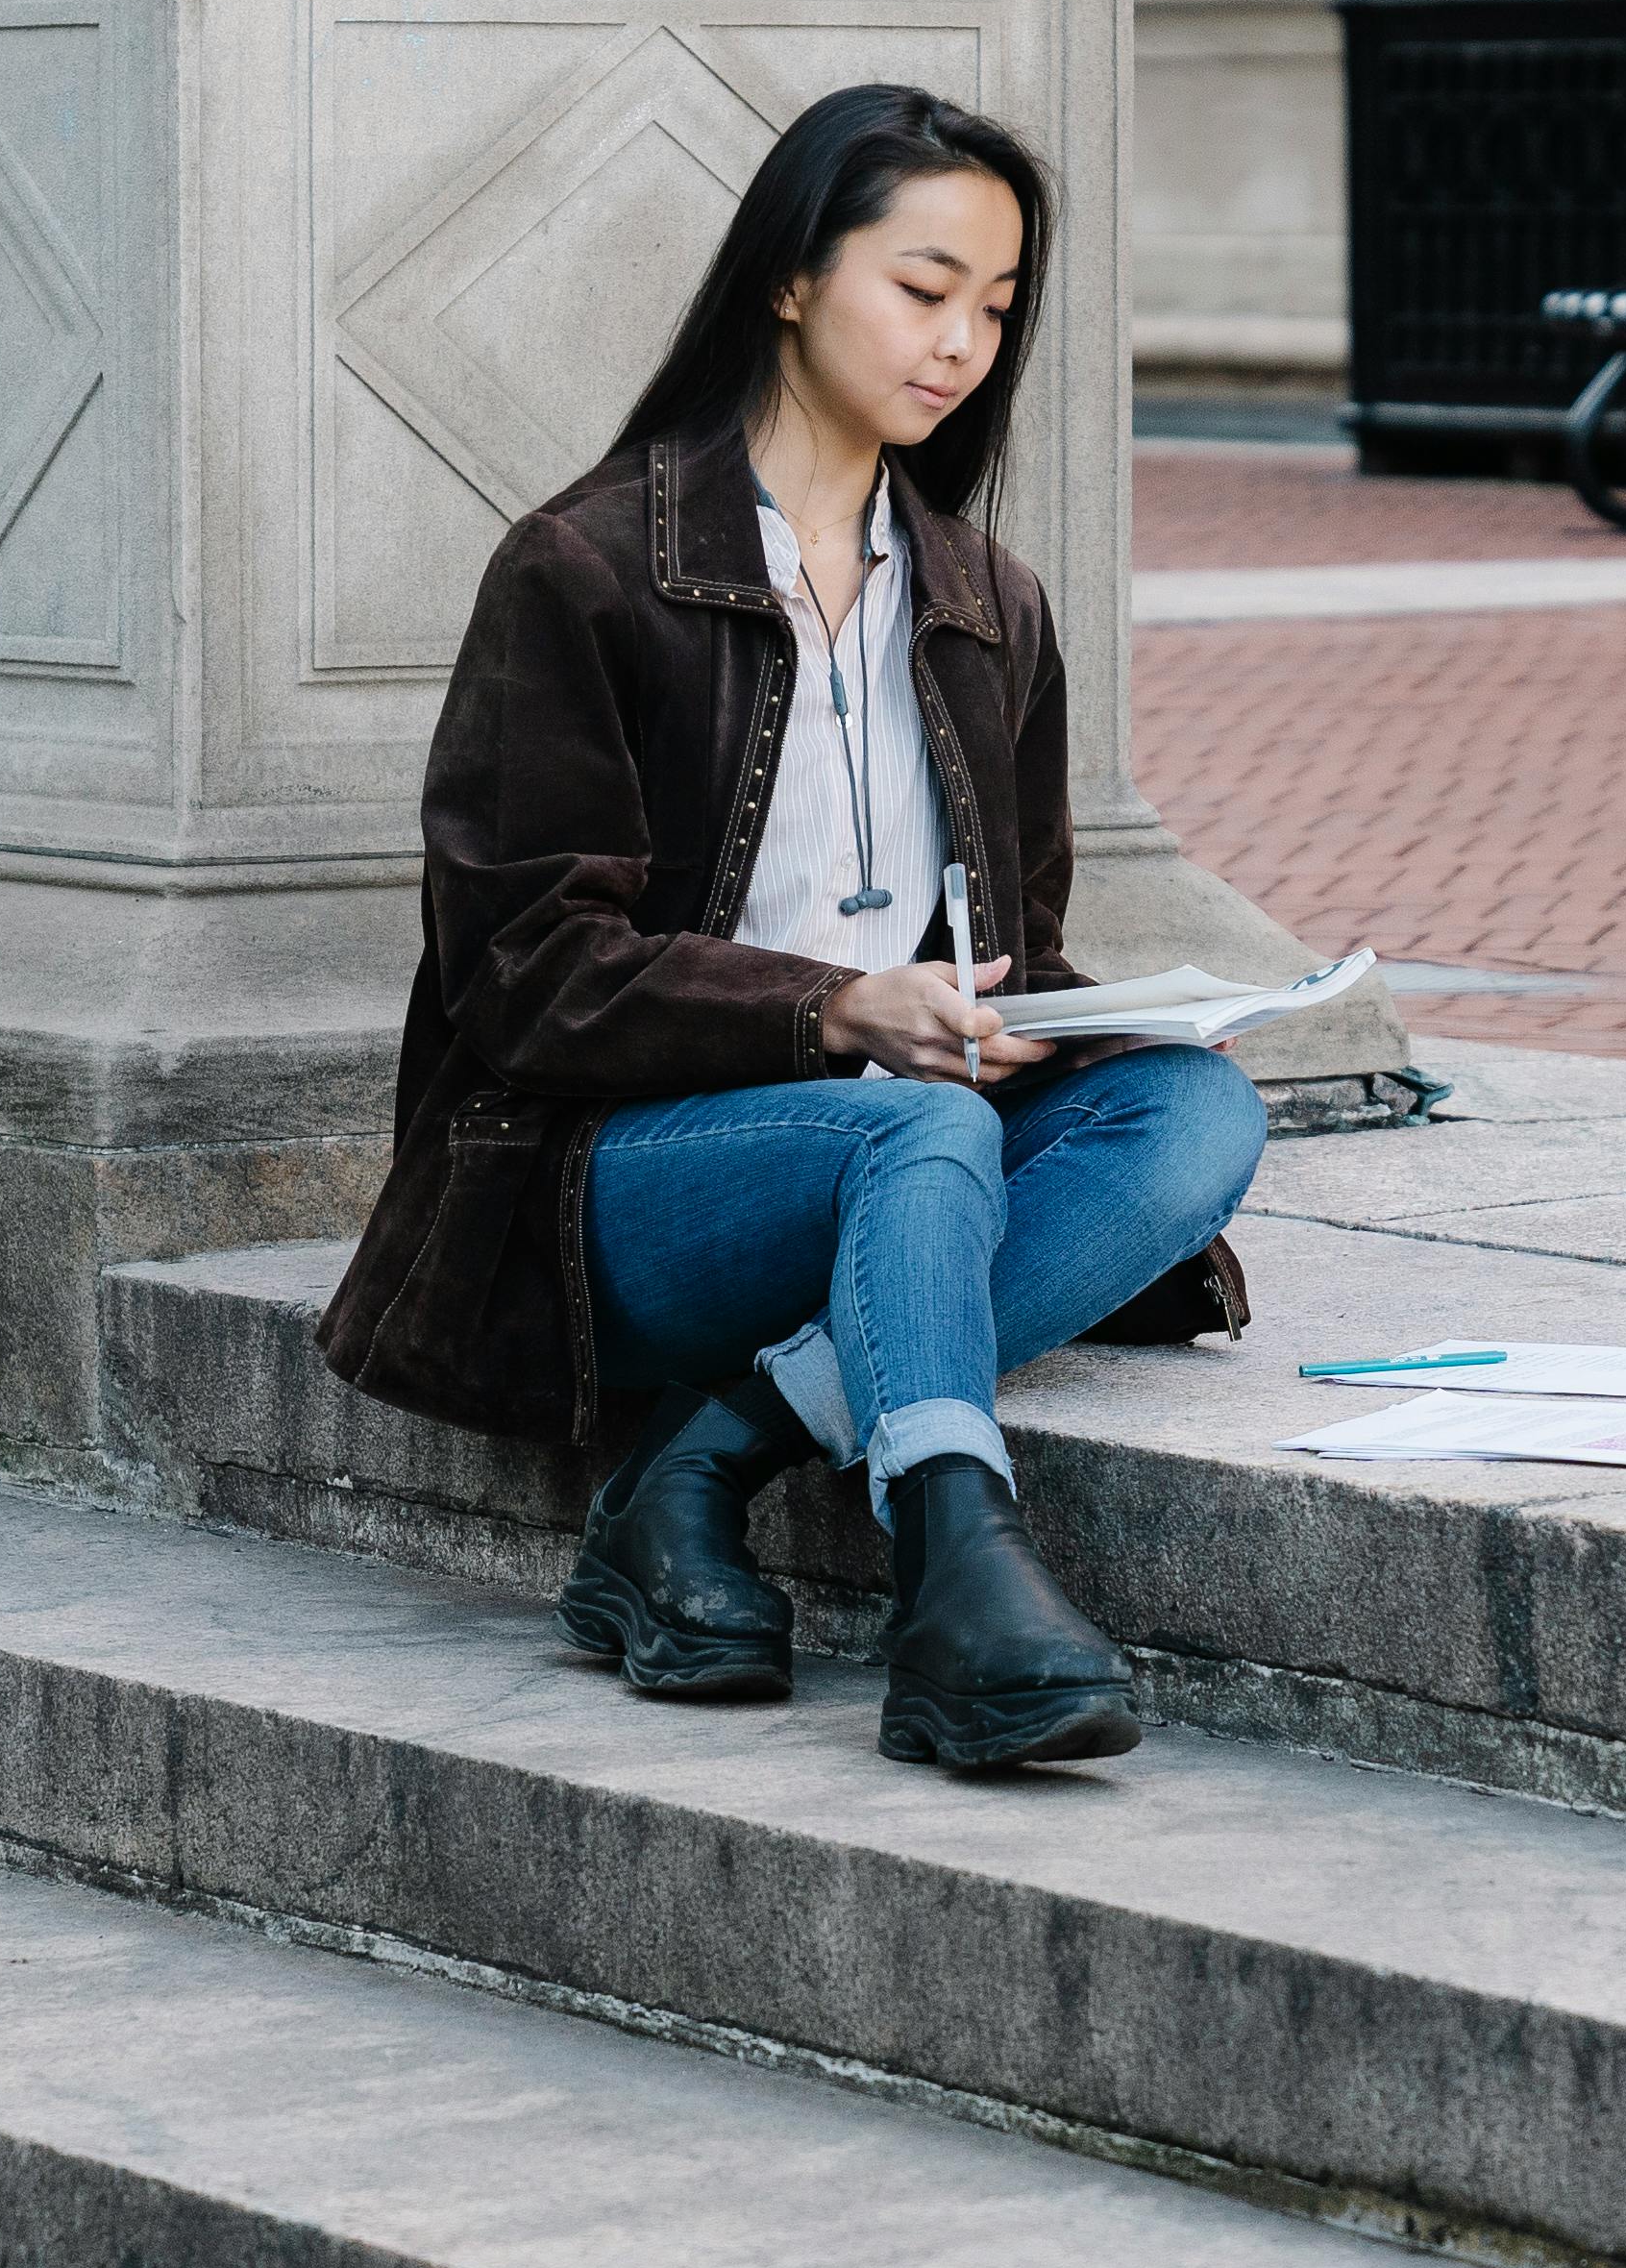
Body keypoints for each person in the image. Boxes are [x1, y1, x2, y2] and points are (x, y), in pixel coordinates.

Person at [317, 85, 1262, 1771]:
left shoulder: (987, 600)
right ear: (789, 279)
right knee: (916, 1122)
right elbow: (524, 975)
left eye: (996, 304)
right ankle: (961, 1572)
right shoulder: (588, 570)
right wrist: (840, 1011)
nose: (962, 339)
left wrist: (1036, 1018)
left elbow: (1010, 946)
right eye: (924, 286)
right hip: (607, 1177)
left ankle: (706, 1460)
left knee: (1193, 1108)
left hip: (900, 1127)